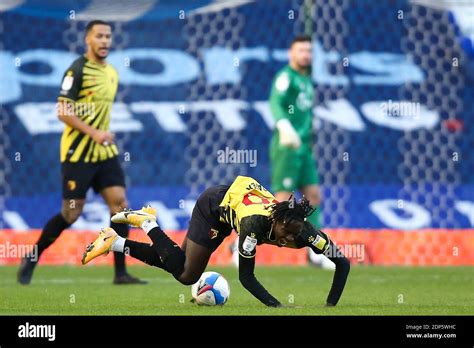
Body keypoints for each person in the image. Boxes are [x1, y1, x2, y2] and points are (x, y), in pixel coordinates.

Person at [82, 176, 350, 307]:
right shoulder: (253, 226)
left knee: (176, 262)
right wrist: (278, 307)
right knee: (187, 275)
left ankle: (115, 242)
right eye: (285, 233)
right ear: (276, 221)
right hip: (213, 207)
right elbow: (246, 277)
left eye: (294, 235)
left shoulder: (304, 231)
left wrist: (330, 307)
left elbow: (343, 263)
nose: (288, 240)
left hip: (232, 201)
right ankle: (147, 222)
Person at [17, 20, 145, 285]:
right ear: (88, 39)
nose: (105, 41)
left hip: (104, 153)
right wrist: (94, 133)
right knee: (71, 214)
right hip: (78, 154)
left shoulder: (111, 72)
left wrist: (101, 135)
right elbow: (63, 111)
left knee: (120, 206)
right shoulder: (77, 70)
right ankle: (32, 256)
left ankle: (120, 273)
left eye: (108, 36)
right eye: (99, 36)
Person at [269, 35, 328, 267]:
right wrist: (283, 126)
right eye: (301, 50)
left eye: (309, 51)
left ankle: (315, 252)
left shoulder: (306, 78)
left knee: (312, 197)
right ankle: (243, 244)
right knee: (282, 201)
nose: (306, 54)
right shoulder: (286, 77)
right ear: (291, 54)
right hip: (287, 146)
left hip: (304, 148)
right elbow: (275, 102)